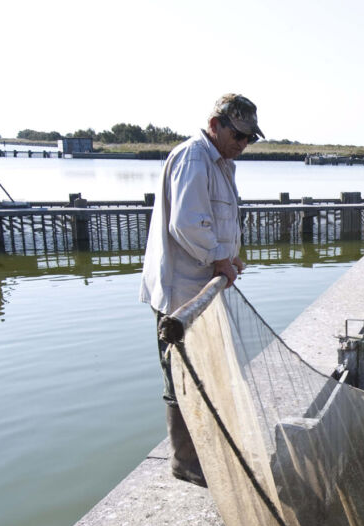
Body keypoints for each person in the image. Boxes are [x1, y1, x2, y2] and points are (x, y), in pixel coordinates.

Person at [139, 93, 264, 486]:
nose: (243, 144)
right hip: (180, 295)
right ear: (215, 125)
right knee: (180, 373)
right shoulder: (195, 157)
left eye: (249, 138)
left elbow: (216, 221)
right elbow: (188, 224)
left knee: (206, 371)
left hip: (202, 290)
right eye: (238, 135)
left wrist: (228, 256)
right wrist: (217, 259)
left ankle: (206, 447)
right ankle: (185, 461)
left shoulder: (222, 164)